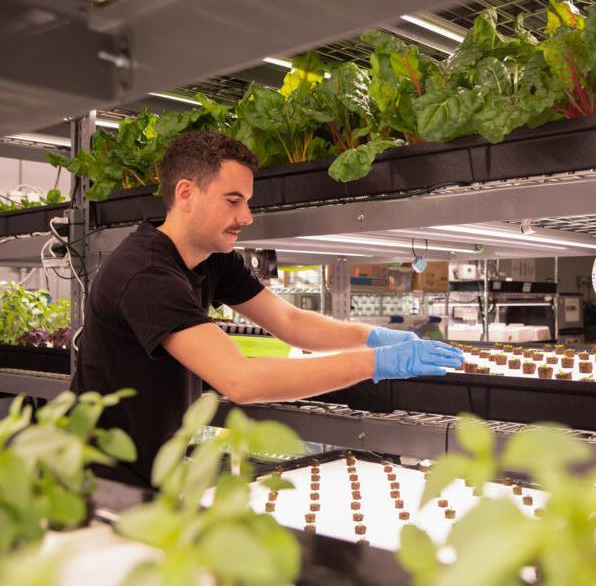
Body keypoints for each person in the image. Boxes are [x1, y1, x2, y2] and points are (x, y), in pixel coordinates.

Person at [71, 130, 463, 487]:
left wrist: (370, 336)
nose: (246, 217)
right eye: (233, 201)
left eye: (248, 201)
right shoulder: (146, 274)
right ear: (186, 193)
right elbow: (241, 381)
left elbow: (288, 321)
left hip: (157, 464)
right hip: (100, 474)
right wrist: (376, 363)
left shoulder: (211, 257)